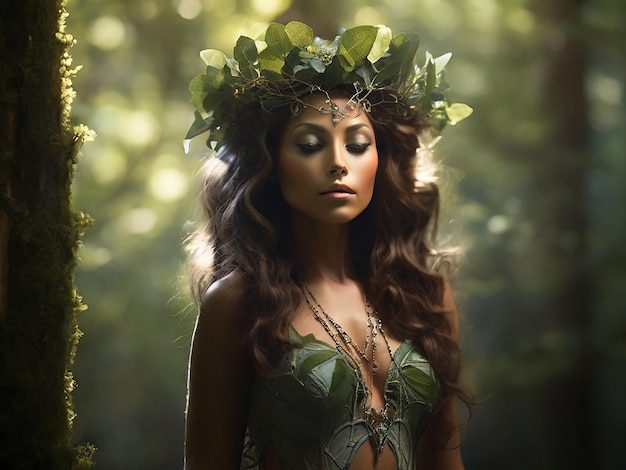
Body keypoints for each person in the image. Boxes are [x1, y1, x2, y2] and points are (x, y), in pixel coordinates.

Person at [183, 22, 473, 470]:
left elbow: (446, 460)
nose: (338, 163)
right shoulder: (238, 303)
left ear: (381, 160)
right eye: (311, 144)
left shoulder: (425, 295)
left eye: (357, 145)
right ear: (273, 163)